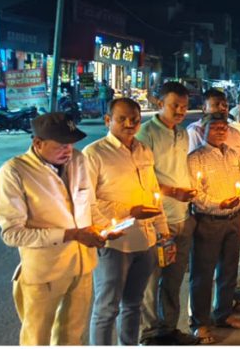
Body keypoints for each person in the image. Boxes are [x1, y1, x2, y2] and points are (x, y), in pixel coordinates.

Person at [0, 112, 113, 345]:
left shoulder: (78, 160)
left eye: (71, 143)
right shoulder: (14, 172)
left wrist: (106, 228)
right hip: (45, 273)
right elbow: (12, 233)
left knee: (73, 335)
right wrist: (72, 234)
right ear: (37, 143)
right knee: (37, 337)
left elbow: (89, 205)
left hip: (82, 266)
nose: (68, 149)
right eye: (60, 144)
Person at [83, 98, 167, 345]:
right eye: (122, 119)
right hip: (114, 243)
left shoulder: (143, 150)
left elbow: (153, 191)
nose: (130, 124)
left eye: (135, 119)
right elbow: (89, 202)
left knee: (134, 303)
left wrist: (163, 231)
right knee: (107, 308)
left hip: (145, 239)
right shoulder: (94, 154)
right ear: (108, 120)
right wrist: (130, 211)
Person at [139, 82, 200, 345]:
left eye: (184, 106)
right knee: (151, 281)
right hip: (157, 219)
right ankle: (150, 333)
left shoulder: (182, 133)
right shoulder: (147, 134)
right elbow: (143, 176)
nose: (180, 111)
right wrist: (173, 192)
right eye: (174, 105)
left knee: (174, 279)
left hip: (182, 217)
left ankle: (169, 328)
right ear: (159, 103)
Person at [187, 112, 240, 344]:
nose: (220, 131)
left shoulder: (233, 155)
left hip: (233, 219)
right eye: (214, 128)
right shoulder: (196, 158)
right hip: (209, 221)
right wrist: (217, 205)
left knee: (229, 270)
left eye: (223, 128)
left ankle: (223, 313)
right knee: (203, 274)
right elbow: (195, 194)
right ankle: (200, 323)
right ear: (202, 130)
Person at [187, 89, 240, 154]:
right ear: (204, 108)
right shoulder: (194, 132)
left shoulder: (235, 134)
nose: (223, 108)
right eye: (216, 105)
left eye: (225, 105)